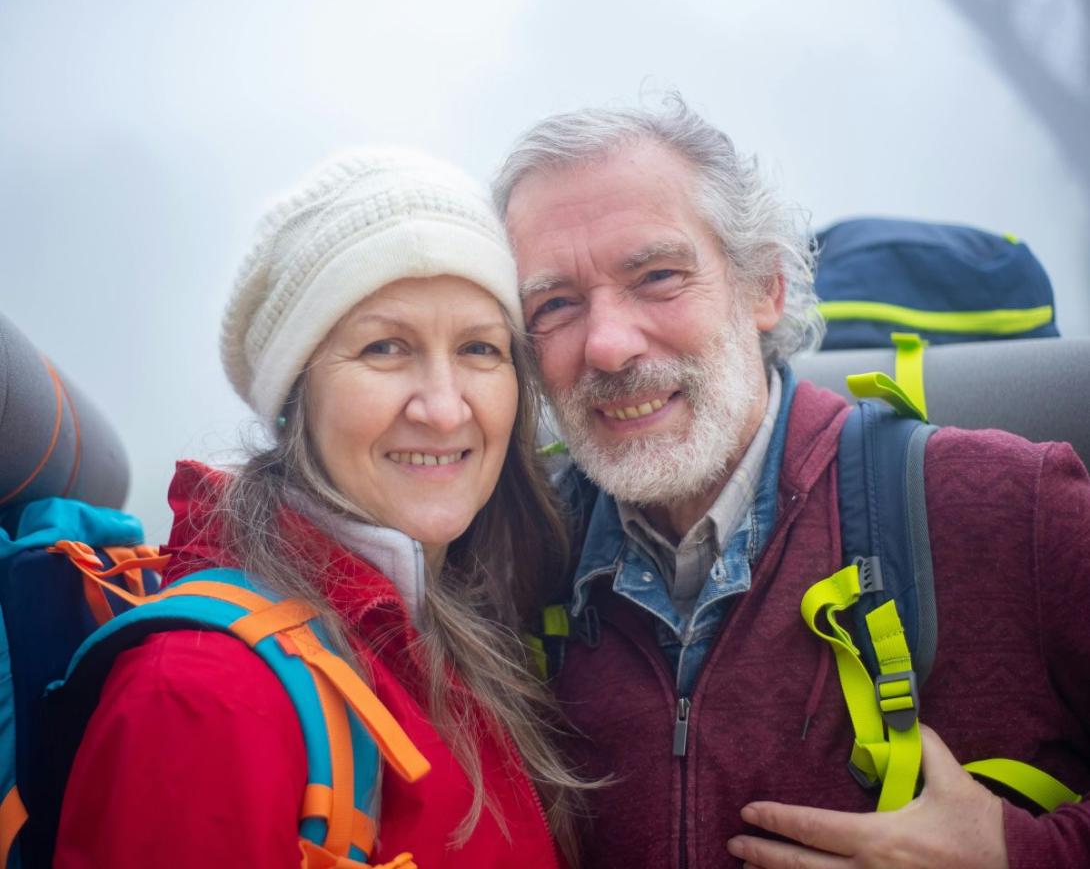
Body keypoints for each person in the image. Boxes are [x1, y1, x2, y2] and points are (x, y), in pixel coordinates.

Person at [492, 95, 1090, 868]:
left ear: (765, 288)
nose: (606, 345)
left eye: (658, 276)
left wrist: (1019, 855)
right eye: (555, 305)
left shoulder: (1010, 506)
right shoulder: (510, 565)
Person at [54, 149, 586, 868]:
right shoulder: (203, 693)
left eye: (479, 349)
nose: (443, 407)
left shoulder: (471, 633)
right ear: (293, 399)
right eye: (385, 348)